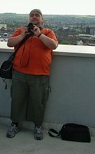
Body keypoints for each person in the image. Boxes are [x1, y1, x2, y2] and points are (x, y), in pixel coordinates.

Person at [6, 9, 58, 140]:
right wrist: (22, 35)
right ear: (29, 18)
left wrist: (39, 34)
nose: (34, 17)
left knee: (38, 102)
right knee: (17, 100)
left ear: (42, 20)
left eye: (37, 15)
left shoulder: (47, 32)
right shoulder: (21, 30)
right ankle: (14, 124)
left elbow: (53, 45)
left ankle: (37, 126)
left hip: (40, 75)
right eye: (32, 15)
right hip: (19, 73)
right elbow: (9, 43)